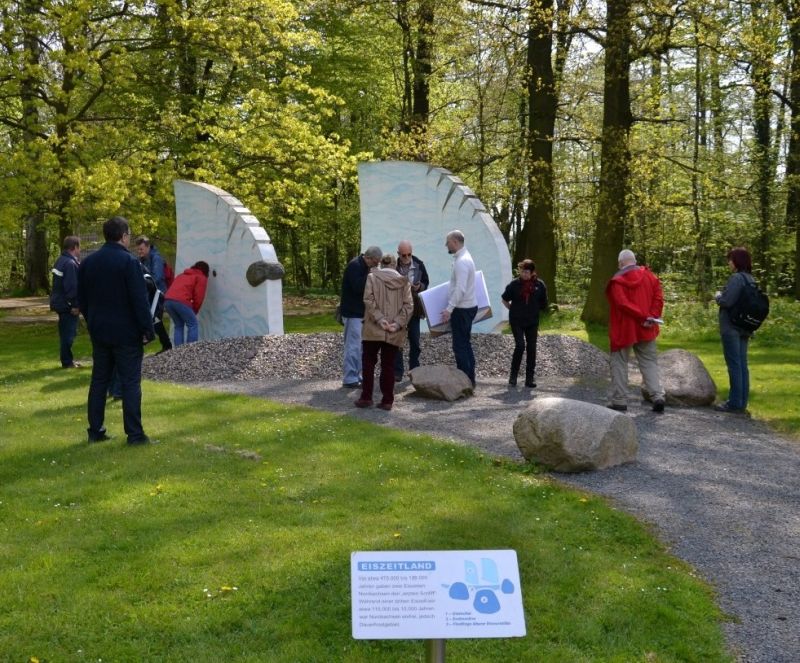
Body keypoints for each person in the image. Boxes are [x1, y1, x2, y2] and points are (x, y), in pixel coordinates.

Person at [77, 216, 155, 444]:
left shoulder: (89, 263)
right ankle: (135, 433)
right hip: (126, 333)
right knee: (130, 382)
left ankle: (95, 430)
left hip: (100, 330)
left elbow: (82, 298)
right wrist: (147, 329)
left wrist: (92, 321)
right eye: (129, 234)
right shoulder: (129, 262)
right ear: (123, 236)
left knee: (99, 380)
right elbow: (138, 300)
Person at [605, 249, 666, 413]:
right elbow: (658, 297)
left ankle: (620, 400)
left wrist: (643, 316)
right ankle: (657, 396)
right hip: (647, 326)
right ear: (634, 260)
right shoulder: (650, 276)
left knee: (619, 362)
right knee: (649, 362)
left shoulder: (617, 281)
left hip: (624, 329)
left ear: (621, 263)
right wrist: (651, 317)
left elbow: (622, 304)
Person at [355, 254, 413, 411]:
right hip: (393, 331)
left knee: (368, 363)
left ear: (381, 264)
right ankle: (387, 400)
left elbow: (368, 300)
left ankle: (366, 397)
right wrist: (397, 324)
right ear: (395, 265)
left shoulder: (372, 278)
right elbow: (408, 306)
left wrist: (380, 319)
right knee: (388, 365)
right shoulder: (404, 281)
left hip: (373, 329)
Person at [714, 247, 755, 414]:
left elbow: (727, 301)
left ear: (737, 261)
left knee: (734, 365)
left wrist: (718, 296)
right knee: (742, 365)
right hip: (745, 326)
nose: (729, 263)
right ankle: (742, 402)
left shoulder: (736, 278)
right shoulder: (751, 279)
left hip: (731, 327)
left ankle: (734, 403)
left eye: (730, 260)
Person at [339, 246, 383, 388]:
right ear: (369, 258)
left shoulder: (362, 266)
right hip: (353, 313)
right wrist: (371, 274)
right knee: (353, 346)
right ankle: (350, 377)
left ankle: (357, 375)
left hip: (360, 313)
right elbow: (358, 287)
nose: (376, 265)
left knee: (360, 347)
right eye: (376, 262)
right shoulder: (355, 266)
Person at [501, 259, 548, 388]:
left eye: (526, 272)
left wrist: (536, 308)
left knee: (532, 348)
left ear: (532, 272)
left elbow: (544, 304)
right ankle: (513, 376)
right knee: (520, 346)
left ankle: (529, 379)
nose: (524, 274)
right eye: (522, 271)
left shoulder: (539, 285)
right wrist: (512, 308)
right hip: (516, 320)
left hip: (532, 321)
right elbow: (504, 299)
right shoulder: (514, 285)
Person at [440, 230, 477, 387]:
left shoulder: (462, 261)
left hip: (462, 309)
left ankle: (464, 382)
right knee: (465, 344)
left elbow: (460, 289)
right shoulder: (465, 257)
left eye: (447, 242)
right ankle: (470, 379)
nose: (446, 245)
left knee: (460, 346)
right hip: (467, 307)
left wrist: (449, 309)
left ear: (455, 242)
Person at [393, 240, 429, 382]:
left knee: (415, 340)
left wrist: (420, 286)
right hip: (398, 309)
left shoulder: (419, 264)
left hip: (414, 309)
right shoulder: (393, 266)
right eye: (404, 255)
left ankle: (414, 369)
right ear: (398, 254)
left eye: (409, 254)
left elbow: (426, 282)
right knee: (397, 341)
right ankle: (397, 372)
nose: (407, 258)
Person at [134, 235, 172, 353]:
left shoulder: (156, 258)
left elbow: (158, 277)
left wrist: (143, 283)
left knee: (153, 317)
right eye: (138, 249)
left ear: (148, 247)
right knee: (156, 319)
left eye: (141, 249)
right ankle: (166, 345)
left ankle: (149, 338)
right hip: (150, 293)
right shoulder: (142, 260)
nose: (139, 252)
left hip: (158, 293)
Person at [50, 235, 82, 368]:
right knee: (68, 335)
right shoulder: (70, 264)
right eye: (79, 247)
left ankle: (67, 360)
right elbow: (71, 287)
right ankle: (67, 362)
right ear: (75, 247)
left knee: (66, 333)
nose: (80, 250)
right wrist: (75, 305)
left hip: (59, 303)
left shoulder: (60, 260)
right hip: (66, 306)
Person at [164, 261, 209, 346]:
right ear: (206, 271)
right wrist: (194, 311)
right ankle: (190, 351)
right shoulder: (201, 277)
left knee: (178, 325)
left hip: (167, 301)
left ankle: (178, 352)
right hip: (181, 301)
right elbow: (199, 297)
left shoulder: (182, 275)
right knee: (193, 324)